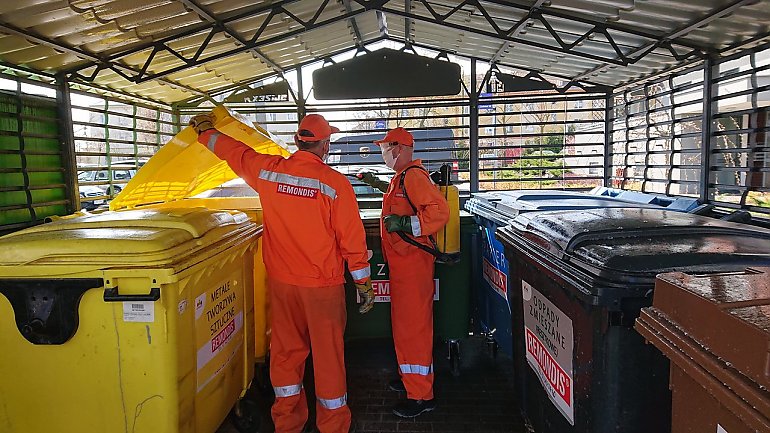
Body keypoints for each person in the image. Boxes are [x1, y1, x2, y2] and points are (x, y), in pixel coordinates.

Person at [189, 113, 375, 433]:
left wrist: (206, 132)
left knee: (286, 356)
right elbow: (352, 241)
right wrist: (364, 284)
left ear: (296, 140)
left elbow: (235, 152)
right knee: (328, 358)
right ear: (325, 144)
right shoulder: (335, 184)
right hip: (322, 288)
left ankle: (288, 423)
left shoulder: (268, 171)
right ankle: (333, 426)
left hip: (283, 284)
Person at [358, 127, 450, 418]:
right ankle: (410, 379)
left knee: (414, 330)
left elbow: (439, 211)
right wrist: (377, 183)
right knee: (405, 327)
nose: (382, 153)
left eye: (384, 148)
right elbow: (402, 202)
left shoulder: (413, 176)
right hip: (405, 266)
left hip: (413, 266)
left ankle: (421, 395)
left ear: (398, 149)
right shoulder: (402, 178)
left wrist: (406, 225)